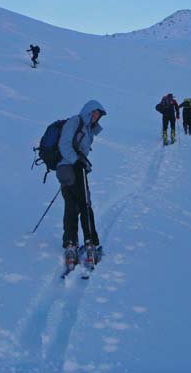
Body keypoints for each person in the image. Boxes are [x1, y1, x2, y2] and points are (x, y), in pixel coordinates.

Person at [55, 100, 107, 271]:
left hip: (70, 167)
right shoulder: (75, 122)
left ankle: (71, 245)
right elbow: (64, 144)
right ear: (87, 111)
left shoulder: (87, 128)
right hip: (71, 168)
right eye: (94, 113)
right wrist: (77, 162)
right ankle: (89, 244)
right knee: (84, 205)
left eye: (98, 115)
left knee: (72, 205)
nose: (95, 116)